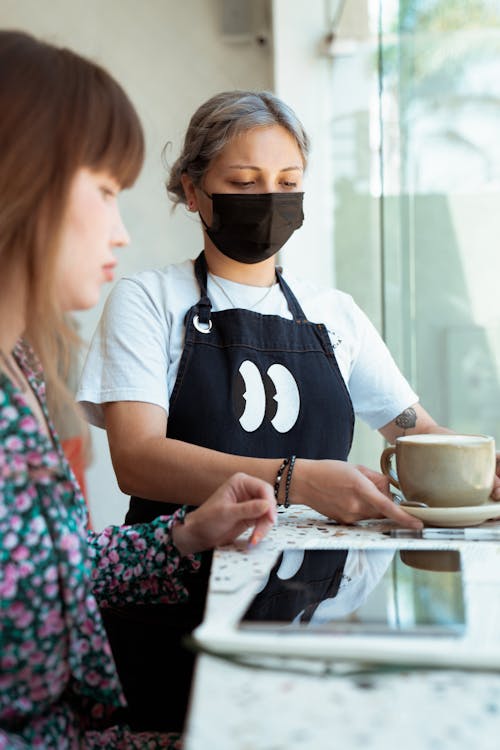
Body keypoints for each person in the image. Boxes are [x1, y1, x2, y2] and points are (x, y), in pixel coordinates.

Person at [78, 88, 500, 729]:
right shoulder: (148, 300)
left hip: (326, 614)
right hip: (179, 603)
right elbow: (137, 460)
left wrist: (481, 467)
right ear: (194, 191)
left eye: (287, 181)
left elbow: (417, 430)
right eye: (244, 182)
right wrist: (295, 479)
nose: (268, 199)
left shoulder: (335, 315)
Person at [0, 34, 277, 750]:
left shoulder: (24, 368)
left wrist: (185, 534)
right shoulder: (149, 300)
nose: (121, 233)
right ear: (20, 180)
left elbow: (52, 565)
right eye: (103, 192)